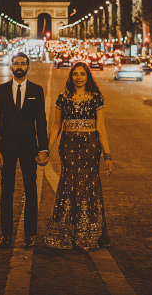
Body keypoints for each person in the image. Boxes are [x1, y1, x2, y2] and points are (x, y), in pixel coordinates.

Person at [43, 61, 113, 251]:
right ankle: (65, 231)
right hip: (68, 147)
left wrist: (107, 155)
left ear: (87, 77)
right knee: (68, 184)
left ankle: (87, 232)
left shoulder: (96, 99)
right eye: (75, 74)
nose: (79, 77)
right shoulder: (62, 99)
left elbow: (101, 129)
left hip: (90, 148)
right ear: (71, 77)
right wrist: (47, 149)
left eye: (82, 74)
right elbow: (56, 126)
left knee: (88, 184)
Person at [0, 52, 49, 248]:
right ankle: (6, 234)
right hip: (6, 146)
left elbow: (41, 121)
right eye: (15, 63)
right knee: (6, 191)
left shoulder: (37, 90)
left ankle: (30, 234)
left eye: (23, 63)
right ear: (10, 67)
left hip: (28, 145)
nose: (19, 66)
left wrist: (44, 149)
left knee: (31, 190)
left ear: (28, 67)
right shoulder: (0, 90)